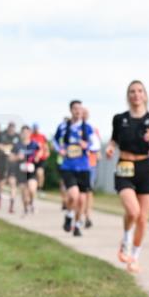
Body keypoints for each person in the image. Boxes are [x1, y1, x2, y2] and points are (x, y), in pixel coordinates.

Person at [106, 80, 149, 273]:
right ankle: (125, 239)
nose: (136, 94)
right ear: (128, 96)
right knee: (133, 211)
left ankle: (134, 257)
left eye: (140, 91)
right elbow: (114, 140)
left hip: (144, 168)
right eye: (132, 91)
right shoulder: (119, 118)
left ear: (145, 95)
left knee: (142, 218)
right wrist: (110, 148)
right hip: (124, 165)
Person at [54, 101, 95, 236]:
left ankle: (76, 225)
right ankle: (69, 214)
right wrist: (60, 149)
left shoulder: (88, 127)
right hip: (68, 166)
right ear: (71, 110)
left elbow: (95, 144)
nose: (78, 111)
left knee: (82, 200)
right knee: (73, 195)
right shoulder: (63, 126)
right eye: (75, 109)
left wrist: (87, 146)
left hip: (83, 167)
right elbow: (54, 140)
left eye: (80, 109)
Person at [11, 125, 41, 214]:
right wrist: (17, 157)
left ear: (30, 133)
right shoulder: (17, 145)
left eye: (27, 133)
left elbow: (41, 150)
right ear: (21, 134)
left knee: (32, 189)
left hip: (31, 171)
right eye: (23, 133)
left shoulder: (34, 144)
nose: (25, 134)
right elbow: (10, 157)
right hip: (21, 172)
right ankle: (25, 208)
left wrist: (38, 156)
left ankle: (32, 203)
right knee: (24, 194)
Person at [82, 107, 99, 228]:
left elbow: (96, 146)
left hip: (90, 164)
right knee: (79, 193)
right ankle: (78, 214)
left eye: (86, 113)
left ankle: (88, 216)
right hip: (77, 165)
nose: (83, 115)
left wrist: (97, 152)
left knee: (88, 191)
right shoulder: (73, 128)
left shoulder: (93, 129)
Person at [29, 123, 50, 191]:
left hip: (41, 159)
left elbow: (46, 147)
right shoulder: (30, 136)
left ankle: (40, 188)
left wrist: (47, 153)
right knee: (31, 173)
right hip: (31, 158)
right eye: (34, 128)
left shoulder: (42, 136)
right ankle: (32, 186)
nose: (36, 130)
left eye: (37, 128)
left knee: (40, 172)